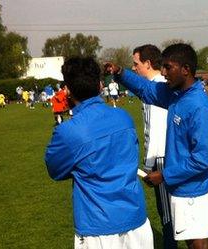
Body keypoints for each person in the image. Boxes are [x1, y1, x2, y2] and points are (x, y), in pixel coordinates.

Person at [108, 43, 208, 249]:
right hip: (182, 187)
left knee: (199, 244)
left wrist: (164, 175)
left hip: (192, 190)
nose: (164, 72)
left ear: (185, 69)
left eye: (168, 67)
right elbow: (147, 89)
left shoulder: (199, 107)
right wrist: (120, 73)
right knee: (194, 241)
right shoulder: (176, 95)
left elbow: (203, 159)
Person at [45, 57, 153, 249]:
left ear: (67, 90)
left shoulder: (67, 131)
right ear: (101, 85)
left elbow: (55, 171)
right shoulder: (124, 117)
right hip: (136, 222)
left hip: (98, 228)